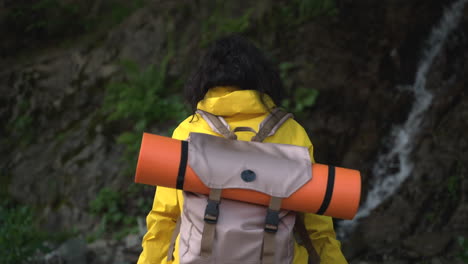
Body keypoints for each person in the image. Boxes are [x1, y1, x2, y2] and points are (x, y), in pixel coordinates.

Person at [137, 34, 348, 264]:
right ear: (262, 77)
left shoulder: (189, 131)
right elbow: (317, 227)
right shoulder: (292, 132)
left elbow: (164, 217)